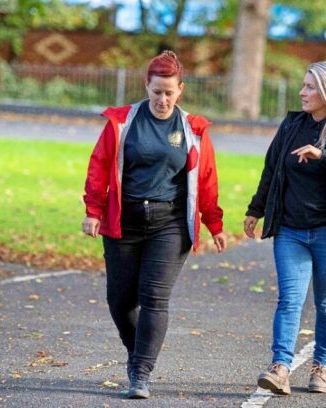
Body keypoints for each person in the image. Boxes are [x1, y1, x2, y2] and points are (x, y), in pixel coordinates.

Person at [81, 50, 227, 399]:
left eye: (169, 92)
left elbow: (206, 178)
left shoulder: (192, 129)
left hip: (170, 223)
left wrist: (214, 223)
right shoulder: (122, 122)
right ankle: (138, 354)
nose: (162, 99)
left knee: (154, 298)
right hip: (124, 220)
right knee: (120, 301)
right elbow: (99, 166)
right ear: (146, 86)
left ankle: (140, 373)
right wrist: (93, 210)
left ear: (181, 90)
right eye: (156, 91)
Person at [244, 61, 326, 396]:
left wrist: (324, 156)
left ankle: (321, 366)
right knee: (290, 300)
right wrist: (255, 210)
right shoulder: (291, 125)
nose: (302, 92)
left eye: (310, 87)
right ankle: (280, 367)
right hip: (291, 231)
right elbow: (271, 168)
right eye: (303, 86)